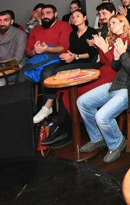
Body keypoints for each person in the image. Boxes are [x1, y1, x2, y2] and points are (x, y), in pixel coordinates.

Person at [77, 16, 130, 163]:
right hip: (117, 84)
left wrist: (122, 54)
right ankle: (97, 138)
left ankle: (116, 143)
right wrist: (116, 58)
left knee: (102, 116)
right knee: (82, 102)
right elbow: (117, 67)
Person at [39, 8, 101, 148]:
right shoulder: (73, 34)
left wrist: (75, 56)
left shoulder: (92, 32)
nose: (74, 19)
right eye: (73, 17)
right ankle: (62, 128)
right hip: (75, 61)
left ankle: (48, 106)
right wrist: (68, 56)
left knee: (57, 72)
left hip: (87, 63)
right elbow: (73, 51)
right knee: (56, 73)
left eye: (78, 16)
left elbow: (91, 54)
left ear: (85, 17)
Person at [24, 4, 73, 123]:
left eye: (48, 13)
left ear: (55, 14)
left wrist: (47, 49)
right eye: (43, 14)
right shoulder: (36, 30)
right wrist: (35, 50)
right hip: (38, 60)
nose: (45, 16)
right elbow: (28, 51)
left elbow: (64, 47)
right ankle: (28, 111)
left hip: (58, 60)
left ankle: (46, 108)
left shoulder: (64, 26)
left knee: (46, 75)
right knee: (22, 77)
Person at [0, 10, 28, 85]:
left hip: (18, 67)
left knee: (1, 81)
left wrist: (1, 70)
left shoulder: (20, 35)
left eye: (5, 20)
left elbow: (17, 58)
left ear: (12, 21)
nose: (2, 23)